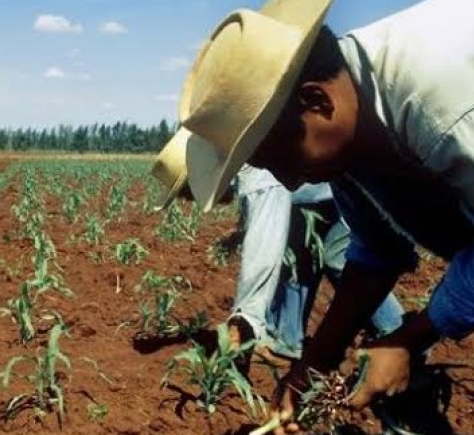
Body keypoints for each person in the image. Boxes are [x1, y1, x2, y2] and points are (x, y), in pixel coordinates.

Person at [163, 0, 474, 435]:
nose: (283, 179)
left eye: (274, 157)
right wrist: (312, 366)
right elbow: (377, 252)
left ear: (316, 101)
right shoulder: (352, 125)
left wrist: (406, 338)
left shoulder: (440, 98)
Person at [151, 132, 406, 360]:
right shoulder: (241, 156)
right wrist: (240, 233)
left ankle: (400, 337)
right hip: (325, 193)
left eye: (190, 192)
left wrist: (245, 318)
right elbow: (265, 209)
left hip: (351, 185)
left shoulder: (253, 169)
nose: (195, 200)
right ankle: (286, 343)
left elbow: (263, 253)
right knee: (302, 253)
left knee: (341, 259)